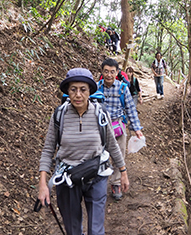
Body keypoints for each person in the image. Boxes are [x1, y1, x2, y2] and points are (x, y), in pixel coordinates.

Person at [37, 68, 129, 235]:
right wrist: (43, 184)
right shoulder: (59, 116)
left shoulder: (100, 114)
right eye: (73, 89)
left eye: (83, 89)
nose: (78, 94)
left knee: (96, 231)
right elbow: (48, 149)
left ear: (90, 91)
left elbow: (111, 144)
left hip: (97, 176)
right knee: (73, 230)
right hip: (67, 178)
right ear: (67, 91)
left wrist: (123, 171)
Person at [97, 58, 144, 200]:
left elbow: (131, 109)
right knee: (99, 155)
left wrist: (136, 128)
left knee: (119, 154)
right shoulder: (96, 87)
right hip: (100, 127)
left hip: (118, 127)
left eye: (112, 72)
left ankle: (116, 182)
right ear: (102, 72)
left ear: (117, 72)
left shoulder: (123, 88)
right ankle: (98, 182)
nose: (109, 75)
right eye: (106, 71)